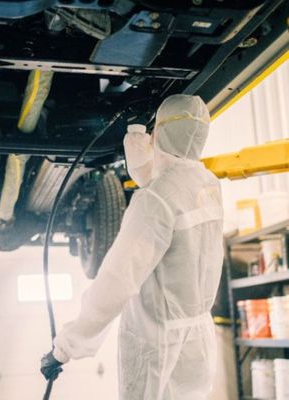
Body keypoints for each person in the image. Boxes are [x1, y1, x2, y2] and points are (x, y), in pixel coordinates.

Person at [41, 94, 224, 400]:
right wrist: (136, 133)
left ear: (161, 133)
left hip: (156, 342)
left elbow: (115, 283)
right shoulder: (207, 184)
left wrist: (64, 348)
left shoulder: (156, 198)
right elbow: (159, 179)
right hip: (198, 341)